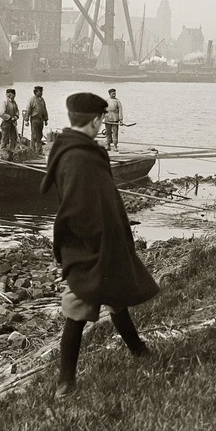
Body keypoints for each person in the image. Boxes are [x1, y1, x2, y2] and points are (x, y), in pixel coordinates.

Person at [39, 92, 159, 400]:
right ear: (94, 121)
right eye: (102, 120)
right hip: (89, 243)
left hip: (101, 239)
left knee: (115, 295)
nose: (103, 124)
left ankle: (140, 351)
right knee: (78, 307)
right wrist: (98, 240)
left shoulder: (74, 149)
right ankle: (65, 383)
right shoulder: (78, 157)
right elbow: (78, 208)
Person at [24, 85, 50, 155]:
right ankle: (32, 151)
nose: (41, 93)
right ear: (36, 92)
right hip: (34, 120)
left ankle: (39, 151)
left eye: (42, 91)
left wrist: (46, 120)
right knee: (34, 136)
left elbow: (44, 110)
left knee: (39, 136)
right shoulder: (32, 100)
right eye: (40, 91)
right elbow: (28, 110)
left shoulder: (42, 100)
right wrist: (26, 120)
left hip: (41, 120)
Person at [0, 88, 19, 160]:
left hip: (12, 123)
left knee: (14, 138)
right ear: (9, 94)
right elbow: (1, 113)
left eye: (14, 94)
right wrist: (9, 117)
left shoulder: (14, 103)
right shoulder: (5, 102)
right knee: (4, 139)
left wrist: (16, 117)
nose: (14, 96)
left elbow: (17, 111)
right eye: (13, 94)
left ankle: (11, 154)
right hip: (6, 123)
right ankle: (1, 155)